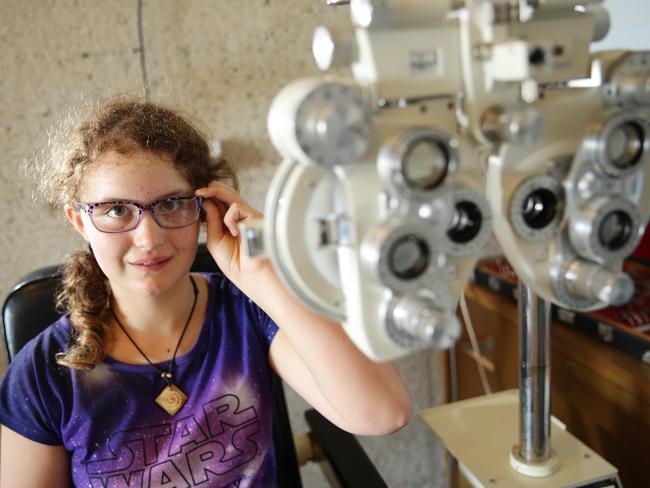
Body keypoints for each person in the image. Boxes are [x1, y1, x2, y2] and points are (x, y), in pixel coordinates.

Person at [0, 99, 412, 487]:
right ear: (79, 220)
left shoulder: (249, 310)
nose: (148, 238)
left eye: (171, 204)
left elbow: (383, 413)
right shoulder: (42, 374)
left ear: (205, 207)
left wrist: (265, 273)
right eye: (117, 210)